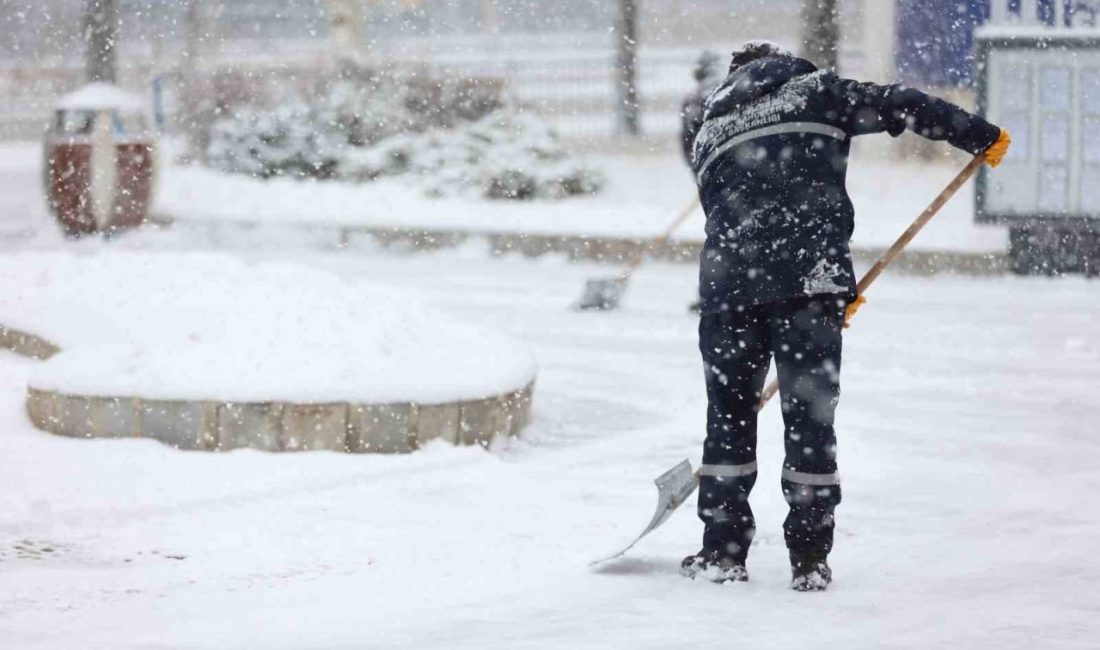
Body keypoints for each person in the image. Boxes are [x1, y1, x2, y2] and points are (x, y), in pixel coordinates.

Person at [679, 41, 1011, 591]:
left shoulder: (710, 130)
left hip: (727, 291)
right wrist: (977, 134)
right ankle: (809, 559)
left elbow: (739, 211)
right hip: (809, 280)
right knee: (810, 422)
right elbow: (902, 103)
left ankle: (723, 551)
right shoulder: (815, 90)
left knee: (729, 419)